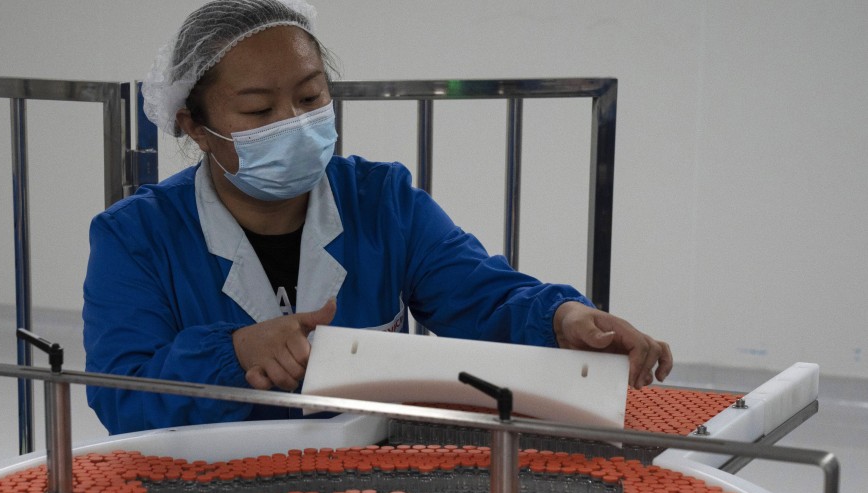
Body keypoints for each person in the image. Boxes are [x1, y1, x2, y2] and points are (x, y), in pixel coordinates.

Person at [83, 0, 672, 435]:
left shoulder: (382, 201)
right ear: (192, 124)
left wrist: (563, 317)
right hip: (205, 492)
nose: (293, 122)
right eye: (259, 109)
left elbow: (482, 298)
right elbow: (122, 397)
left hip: (374, 484)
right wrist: (232, 355)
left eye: (311, 98)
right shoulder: (137, 237)